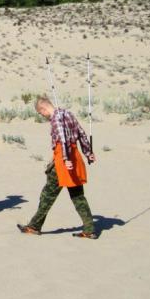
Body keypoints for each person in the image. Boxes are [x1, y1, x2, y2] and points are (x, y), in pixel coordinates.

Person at [18, 96, 97, 239]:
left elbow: (62, 138)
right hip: (75, 157)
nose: (43, 116)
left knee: (47, 194)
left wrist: (66, 158)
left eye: (41, 113)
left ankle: (34, 226)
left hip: (63, 160)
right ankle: (89, 228)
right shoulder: (69, 114)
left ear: (43, 108)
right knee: (78, 196)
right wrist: (88, 152)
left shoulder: (56, 119)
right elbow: (82, 134)